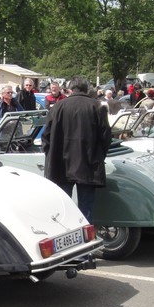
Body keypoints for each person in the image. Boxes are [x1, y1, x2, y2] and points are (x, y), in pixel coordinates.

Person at [41, 76, 111, 220]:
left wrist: (51, 156)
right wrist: (98, 156)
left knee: (63, 209)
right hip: (88, 163)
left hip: (61, 164)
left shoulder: (58, 107)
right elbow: (106, 137)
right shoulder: (97, 107)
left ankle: (67, 231)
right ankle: (85, 232)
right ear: (86, 89)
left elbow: (46, 136)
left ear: (70, 90)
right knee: (86, 210)